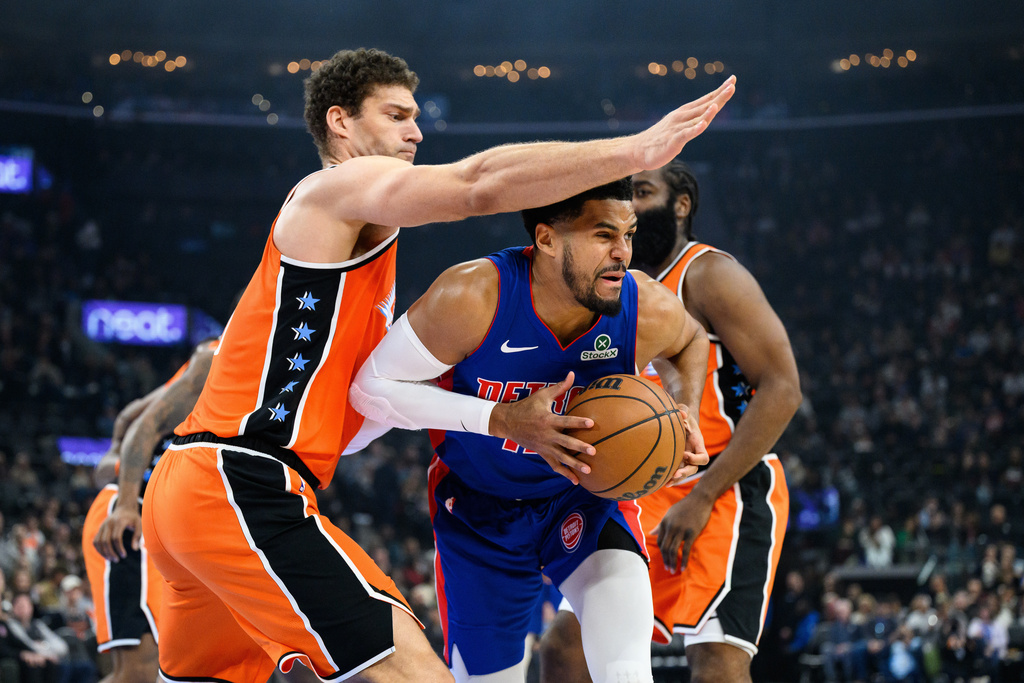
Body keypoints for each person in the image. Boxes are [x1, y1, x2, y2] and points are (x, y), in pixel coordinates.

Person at [137, 46, 735, 683]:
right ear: (340, 123)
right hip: (239, 482)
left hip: (198, 483)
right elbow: (477, 185)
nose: (416, 131)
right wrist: (633, 153)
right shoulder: (336, 191)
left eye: (415, 116)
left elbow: (358, 398)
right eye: (396, 115)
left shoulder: (347, 238)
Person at [349, 179, 711, 682]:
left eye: (627, 234)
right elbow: (370, 388)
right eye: (603, 235)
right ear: (545, 239)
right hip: (479, 509)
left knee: (626, 670)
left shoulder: (644, 305)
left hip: (584, 496)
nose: (622, 253)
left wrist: (684, 409)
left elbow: (691, 340)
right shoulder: (473, 296)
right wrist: (501, 420)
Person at [540, 160, 801, 683]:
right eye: (625, 195)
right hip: (639, 486)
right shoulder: (610, 289)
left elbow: (783, 389)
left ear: (680, 206)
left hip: (724, 487)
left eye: (643, 191)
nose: (631, 206)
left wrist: (702, 497)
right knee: (565, 651)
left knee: (717, 667)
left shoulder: (710, 274)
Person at [85, 338, 217, 683]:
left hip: (167, 521)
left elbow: (133, 412)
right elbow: (137, 422)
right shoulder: (219, 355)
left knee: (158, 670)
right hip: (134, 512)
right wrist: (126, 497)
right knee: (138, 671)